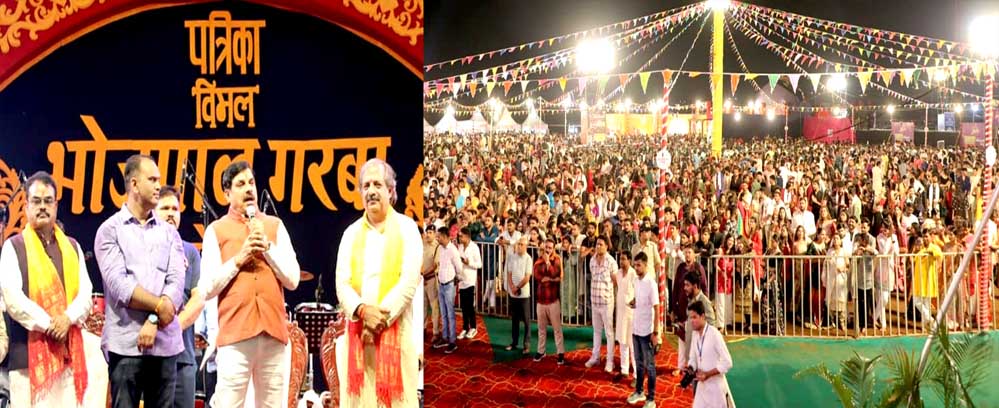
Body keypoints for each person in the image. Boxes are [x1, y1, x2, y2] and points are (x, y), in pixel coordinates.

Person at [198, 160, 301, 407]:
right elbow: (207, 288)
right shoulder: (216, 230)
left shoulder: (274, 226)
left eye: (251, 183)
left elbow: (293, 279)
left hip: (273, 335)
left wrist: (267, 248)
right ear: (227, 194)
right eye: (241, 184)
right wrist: (239, 258)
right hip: (235, 337)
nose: (248, 189)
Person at [95, 155, 184, 408]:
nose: (158, 186)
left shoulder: (170, 233)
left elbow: (176, 283)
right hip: (126, 346)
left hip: (165, 345)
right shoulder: (109, 230)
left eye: (159, 180)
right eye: (152, 180)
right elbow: (120, 287)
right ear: (134, 184)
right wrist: (160, 307)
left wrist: (154, 319)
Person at [333, 159, 421, 407]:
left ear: (391, 191)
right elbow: (342, 284)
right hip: (358, 339)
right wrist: (362, 311)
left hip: (396, 334)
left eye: (377, 185)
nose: (371, 191)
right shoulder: (350, 234)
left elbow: (408, 284)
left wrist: (376, 322)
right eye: (366, 185)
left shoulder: (407, 228)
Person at [0, 172, 92, 407]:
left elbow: (86, 295)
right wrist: (51, 324)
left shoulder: (73, 247)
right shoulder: (13, 247)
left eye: (48, 201)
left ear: (56, 206)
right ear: (26, 206)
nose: (42, 207)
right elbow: (13, 299)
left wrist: (67, 319)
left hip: (67, 356)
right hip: (27, 362)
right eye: (36, 201)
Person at [155, 185, 205, 408]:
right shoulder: (144, 248)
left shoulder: (190, 252)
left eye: (175, 209)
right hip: (151, 355)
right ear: (153, 212)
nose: (170, 213)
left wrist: (174, 327)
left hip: (183, 357)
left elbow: (198, 299)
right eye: (164, 208)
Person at [625, 252, 659, 408]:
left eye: (639, 265)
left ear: (646, 265)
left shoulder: (651, 283)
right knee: (638, 363)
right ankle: (639, 392)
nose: (636, 268)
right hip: (636, 328)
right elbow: (640, 299)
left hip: (647, 330)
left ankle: (651, 399)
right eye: (635, 265)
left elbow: (657, 308)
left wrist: (656, 333)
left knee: (650, 366)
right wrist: (634, 302)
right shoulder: (636, 281)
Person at [687, 301, 735, 408]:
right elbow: (693, 358)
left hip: (715, 390)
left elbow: (728, 362)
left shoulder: (714, 334)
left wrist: (708, 374)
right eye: (690, 318)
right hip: (701, 388)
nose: (691, 321)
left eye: (694, 317)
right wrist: (690, 368)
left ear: (703, 316)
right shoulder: (694, 335)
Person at [586, 236, 617, 372]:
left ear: (606, 246)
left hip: (606, 302)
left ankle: (610, 361)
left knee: (609, 333)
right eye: (597, 244)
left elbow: (615, 281)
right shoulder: (592, 260)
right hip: (594, 301)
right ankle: (595, 357)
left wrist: (608, 294)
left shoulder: (611, 262)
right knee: (596, 331)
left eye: (601, 244)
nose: (598, 246)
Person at [534, 239, 565, 365]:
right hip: (541, 300)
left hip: (553, 300)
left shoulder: (557, 259)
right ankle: (541, 351)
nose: (547, 250)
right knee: (541, 329)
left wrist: (548, 264)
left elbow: (556, 274)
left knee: (557, 329)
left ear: (554, 248)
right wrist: (551, 278)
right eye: (546, 247)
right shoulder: (538, 260)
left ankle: (560, 353)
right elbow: (537, 277)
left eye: (550, 248)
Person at [434, 226, 461, 353]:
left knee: (450, 314)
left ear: (445, 237)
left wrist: (455, 278)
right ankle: (445, 337)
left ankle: (452, 341)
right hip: (441, 284)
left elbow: (459, 267)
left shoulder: (453, 250)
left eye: (439, 236)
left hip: (449, 285)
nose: (437, 238)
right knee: (443, 313)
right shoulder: (440, 249)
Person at [505, 237, 532, 355]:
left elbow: (527, 277)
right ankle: (514, 342)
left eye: (521, 244)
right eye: (518, 244)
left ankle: (526, 345)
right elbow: (509, 273)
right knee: (514, 319)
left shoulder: (528, 258)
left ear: (526, 246)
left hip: (524, 294)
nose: (519, 246)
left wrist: (517, 287)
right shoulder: (512, 257)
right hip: (513, 293)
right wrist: (512, 286)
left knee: (526, 320)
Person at [614, 252, 637, 378]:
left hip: (631, 314)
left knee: (632, 344)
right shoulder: (618, 274)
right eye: (620, 259)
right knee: (622, 341)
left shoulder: (634, 274)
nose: (621, 261)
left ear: (629, 260)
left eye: (623, 259)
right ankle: (624, 370)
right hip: (621, 312)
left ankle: (637, 374)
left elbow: (637, 292)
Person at [456, 228, 482, 340]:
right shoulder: (460, 247)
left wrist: (469, 262)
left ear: (467, 236)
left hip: (470, 280)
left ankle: (473, 327)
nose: (459, 238)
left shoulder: (474, 247)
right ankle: (465, 327)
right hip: (462, 279)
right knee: (463, 306)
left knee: (470, 305)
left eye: (461, 236)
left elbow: (479, 264)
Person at [421, 228, 442, 348]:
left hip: (431, 279)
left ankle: (435, 332)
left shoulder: (437, 246)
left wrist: (424, 274)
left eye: (430, 233)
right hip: (421, 280)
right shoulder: (422, 244)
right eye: (427, 232)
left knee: (434, 306)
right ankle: (423, 328)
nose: (428, 235)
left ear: (434, 234)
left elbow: (435, 265)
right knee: (423, 306)